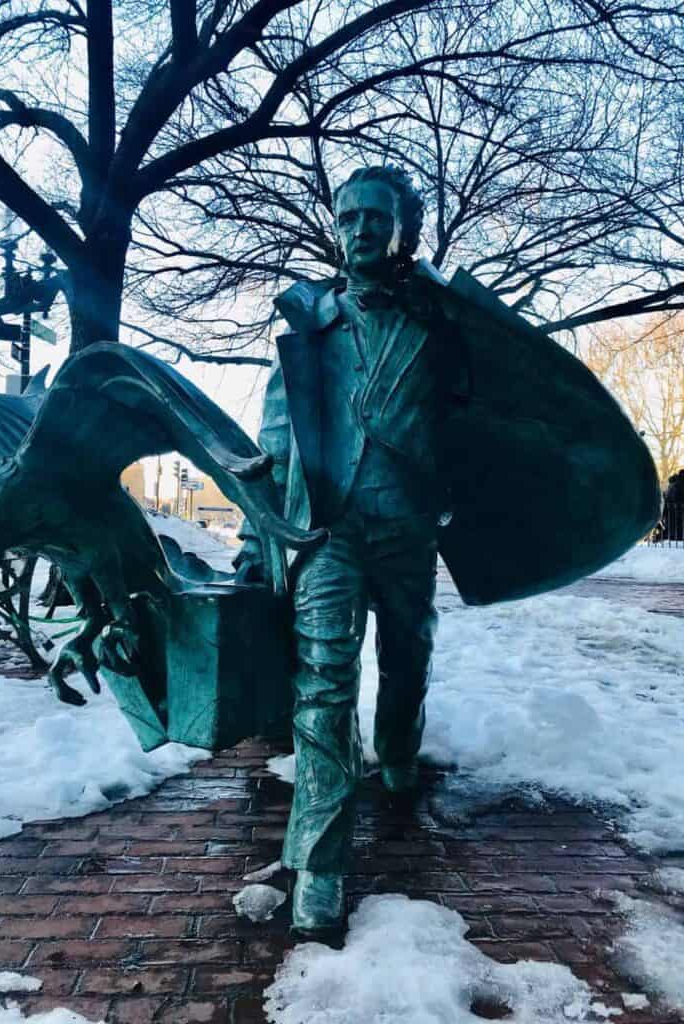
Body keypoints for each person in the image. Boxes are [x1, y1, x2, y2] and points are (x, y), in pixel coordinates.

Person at [235, 165, 456, 935]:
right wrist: (255, 527)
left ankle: (398, 746)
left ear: (403, 229)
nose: (360, 227)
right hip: (324, 527)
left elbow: (475, 424)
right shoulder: (309, 324)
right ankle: (320, 863)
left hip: (406, 523)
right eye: (349, 214)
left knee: (408, 654)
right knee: (323, 683)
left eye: (376, 216)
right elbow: (273, 435)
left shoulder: (438, 322)